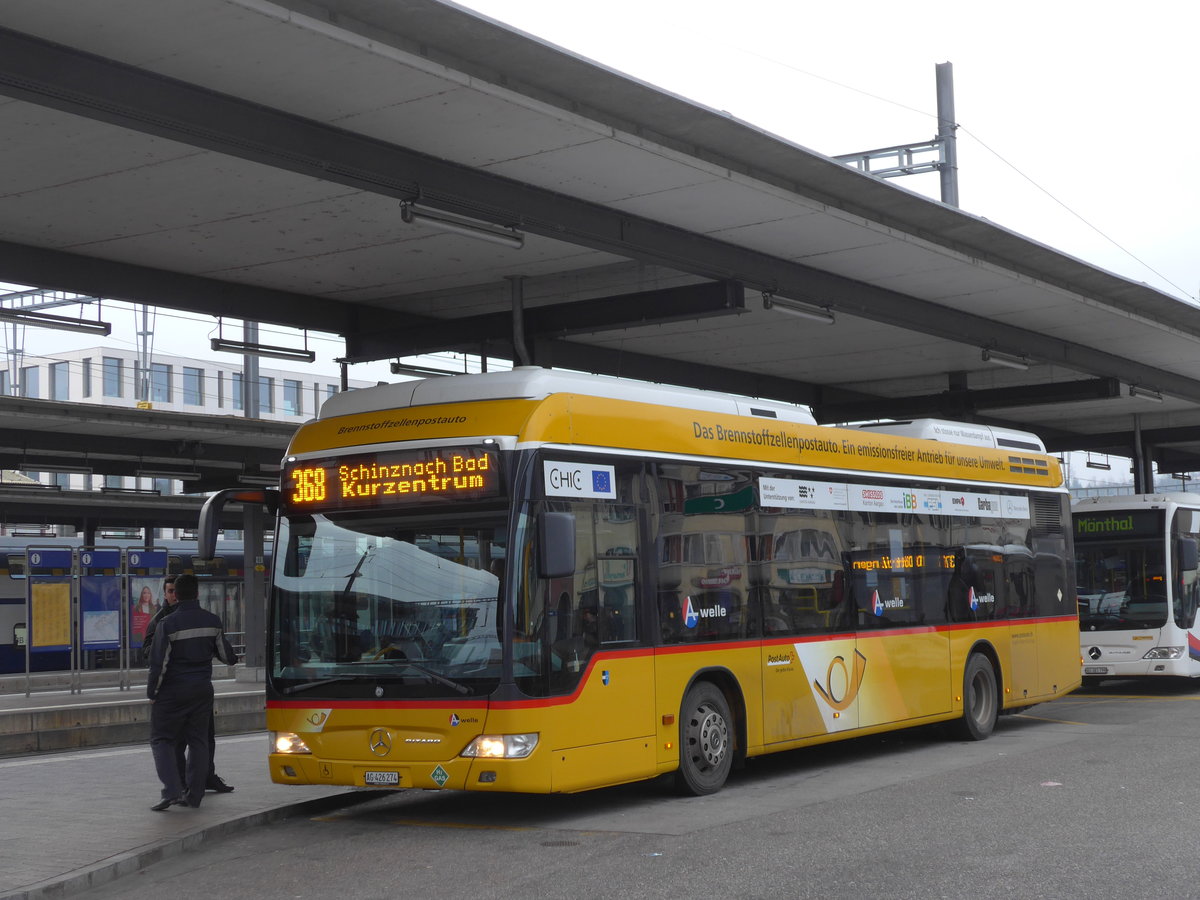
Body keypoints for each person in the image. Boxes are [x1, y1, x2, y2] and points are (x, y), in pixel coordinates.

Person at [146, 574, 237, 810]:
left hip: (172, 693)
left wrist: (153, 694)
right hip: (202, 691)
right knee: (199, 741)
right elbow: (228, 658)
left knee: (161, 739)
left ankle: (172, 790)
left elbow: (159, 664)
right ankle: (195, 795)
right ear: (197, 593)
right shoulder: (212, 621)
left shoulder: (167, 624)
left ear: (176, 594)